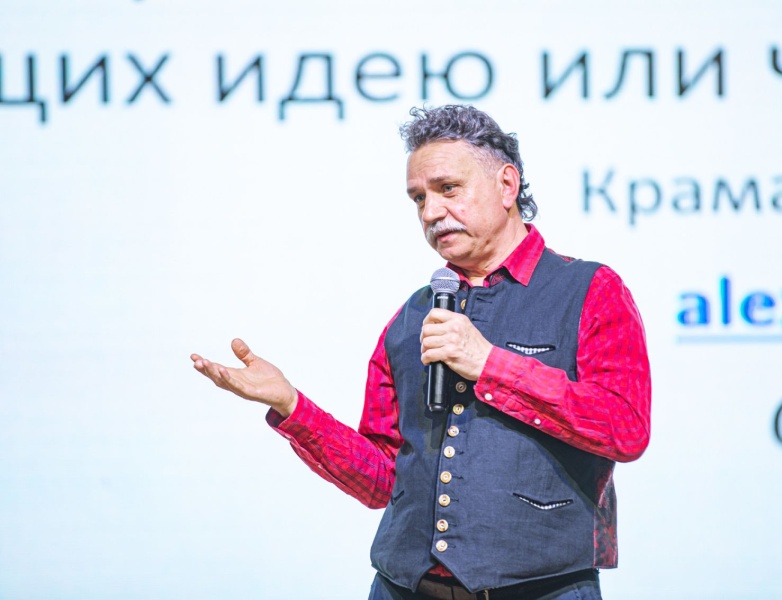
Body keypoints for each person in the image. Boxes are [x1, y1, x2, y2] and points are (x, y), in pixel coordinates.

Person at [191, 105, 651, 600]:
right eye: (418, 198)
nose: (430, 212)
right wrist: (291, 406)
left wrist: (491, 364)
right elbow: (381, 480)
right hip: (402, 588)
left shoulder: (589, 289)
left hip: (544, 589)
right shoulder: (413, 316)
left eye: (447, 188)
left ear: (506, 185)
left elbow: (625, 429)